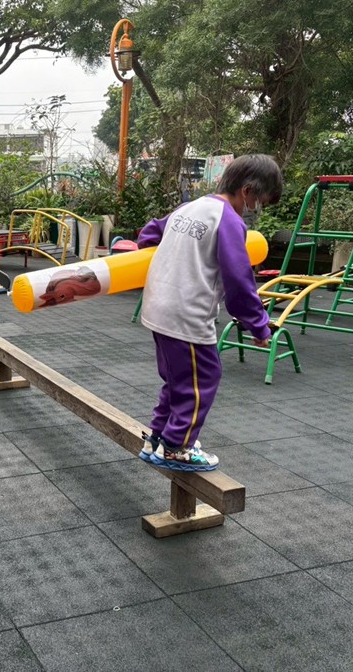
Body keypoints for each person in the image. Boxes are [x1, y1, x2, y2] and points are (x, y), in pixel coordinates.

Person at [136, 154, 282, 472]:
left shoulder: (191, 208)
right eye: (260, 202)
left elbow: (149, 233)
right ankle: (177, 447)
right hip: (187, 314)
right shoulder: (229, 220)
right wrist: (259, 325)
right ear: (247, 191)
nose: (258, 209)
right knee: (202, 378)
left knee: (177, 379)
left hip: (158, 306)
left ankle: (157, 437)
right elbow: (239, 280)